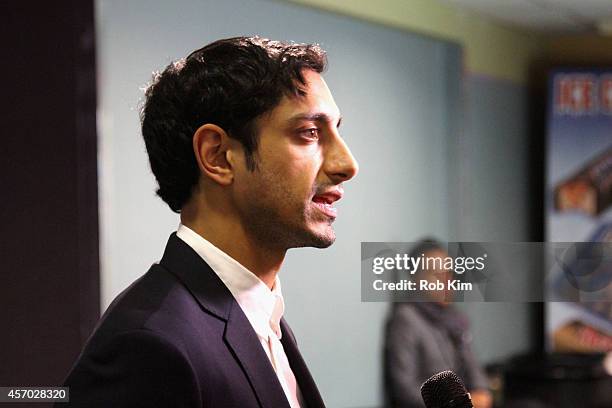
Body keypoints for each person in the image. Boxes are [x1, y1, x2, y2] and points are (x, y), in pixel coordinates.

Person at [59, 36, 358, 407]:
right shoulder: (147, 346)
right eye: (310, 133)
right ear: (217, 155)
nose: (347, 165)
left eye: (336, 131)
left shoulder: (262, 317)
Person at [384, 240, 492, 408]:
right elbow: (404, 389)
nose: (447, 281)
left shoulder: (453, 317)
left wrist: (482, 391)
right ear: (417, 279)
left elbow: (473, 366)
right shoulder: (406, 319)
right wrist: (459, 402)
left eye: (448, 273)